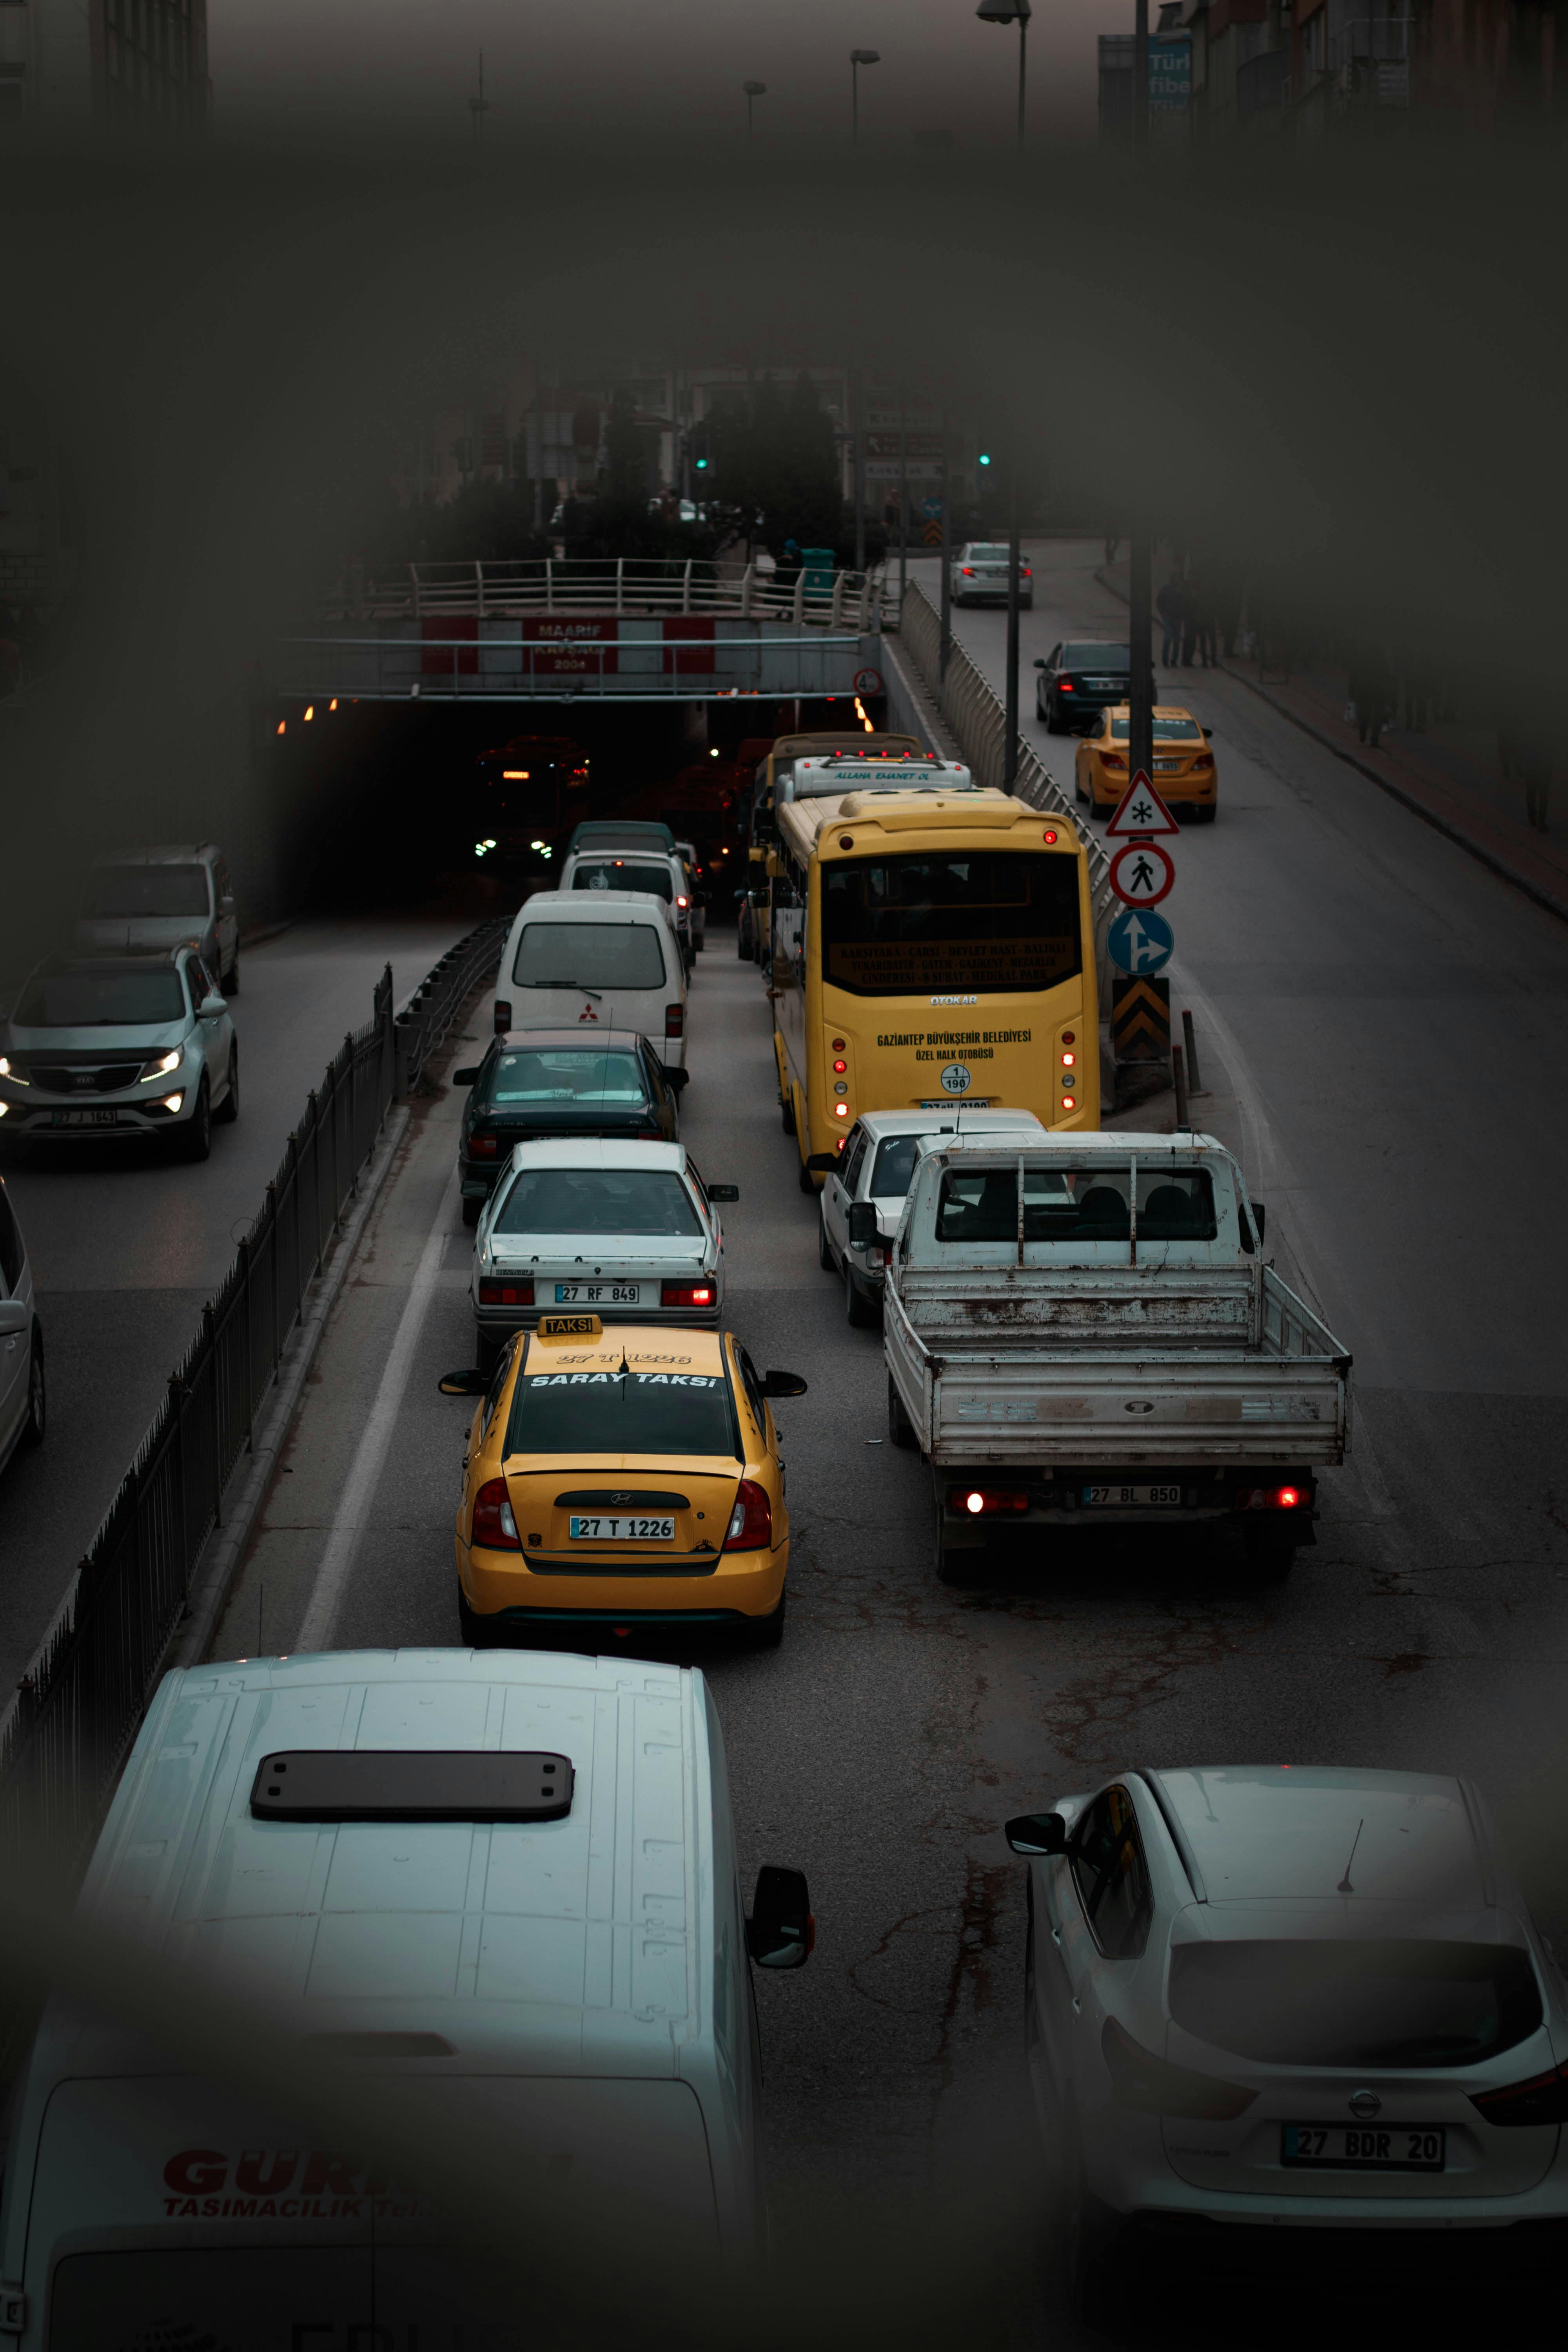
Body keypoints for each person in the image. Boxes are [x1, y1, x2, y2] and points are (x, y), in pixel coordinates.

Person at [1348, 651, 1393, 751]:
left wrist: (1352, 692)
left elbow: (1354, 676)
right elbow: (1387, 678)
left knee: (1364, 713)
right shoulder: (1382, 660)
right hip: (1378, 692)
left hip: (1365, 691)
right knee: (1378, 717)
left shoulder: (1361, 658)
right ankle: (1374, 739)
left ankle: (1363, 729)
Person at [1156, 571, 1184, 667]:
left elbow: (1184, 603)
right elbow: (1159, 601)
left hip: (1177, 618)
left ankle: (1174, 660)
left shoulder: (1181, 590)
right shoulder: (1166, 589)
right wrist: (1162, 612)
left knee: (1177, 640)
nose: (1177, 580)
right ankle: (1165, 659)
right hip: (1168, 616)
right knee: (1168, 638)